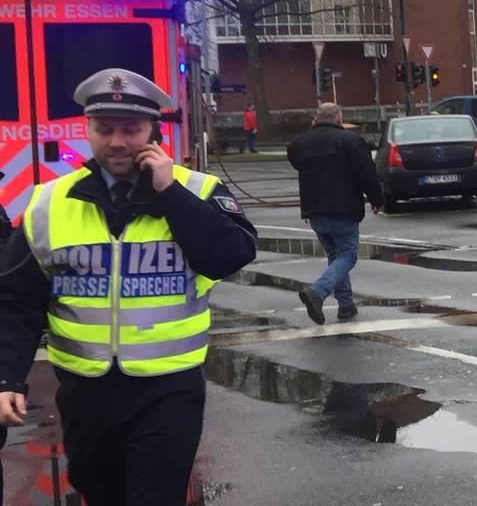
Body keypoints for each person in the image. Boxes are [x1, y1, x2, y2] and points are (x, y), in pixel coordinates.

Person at [0, 68, 257, 503]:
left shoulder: (196, 190)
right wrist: (7, 377)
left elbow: (231, 255)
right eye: (104, 129)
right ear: (87, 130)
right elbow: (16, 300)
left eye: (131, 129)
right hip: (85, 392)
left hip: (168, 390)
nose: (117, 141)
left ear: (154, 131)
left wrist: (170, 194)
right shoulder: (50, 202)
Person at [289, 102, 382, 325]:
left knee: (335, 256)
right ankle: (317, 292)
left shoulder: (300, 144)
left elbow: (296, 161)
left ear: (316, 119)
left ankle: (346, 305)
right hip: (343, 207)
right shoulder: (351, 141)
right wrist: (377, 199)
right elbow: (367, 174)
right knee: (348, 256)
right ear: (339, 118)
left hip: (314, 210)